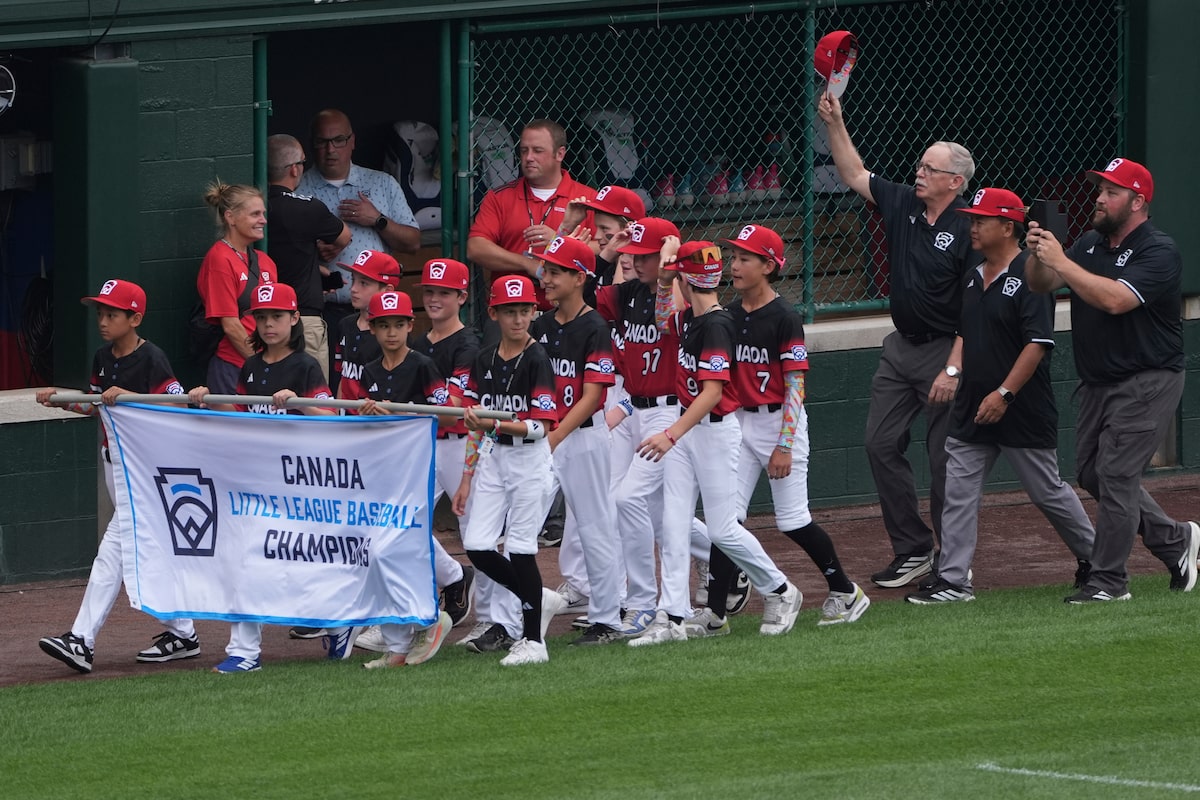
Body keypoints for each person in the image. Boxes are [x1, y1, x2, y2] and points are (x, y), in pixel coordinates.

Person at [905, 188, 1095, 604]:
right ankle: (954, 580)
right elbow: (965, 333)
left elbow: (1038, 343)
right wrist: (954, 371)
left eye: (980, 221)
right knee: (958, 491)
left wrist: (1004, 394)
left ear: (1007, 227)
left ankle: (1097, 559)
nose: (972, 227)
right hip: (973, 405)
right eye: (971, 220)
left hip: (1021, 407)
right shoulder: (974, 275)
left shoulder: (1033, 274)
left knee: (1047, 491)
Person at [817, 92, 975, 589]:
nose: (919, 172)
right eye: (920, 165)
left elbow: (979, 306)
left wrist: (954, 366)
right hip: (901, 346)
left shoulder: (972, 226)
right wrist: (836, 122)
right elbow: (853, 173)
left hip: (945, 348)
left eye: (930, 168)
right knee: (879, 443)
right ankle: (912, 549)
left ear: (956, 181)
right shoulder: (905, 202)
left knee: (942, 458)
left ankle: (953, 561)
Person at [1025, 158, 1199, 603]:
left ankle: (1108, 582)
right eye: (1100, 189)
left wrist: (1062, 261)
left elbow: (1117, 300)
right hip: (1098, 380)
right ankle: (1177, 541)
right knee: (1093, 475)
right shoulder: (1087, 244)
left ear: (1138, 201)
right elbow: (1041, 284)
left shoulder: (1158, 249)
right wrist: (1041, 253)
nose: (1100, 198)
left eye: (1112, 191)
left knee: (1118, 473)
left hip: (1148, 378)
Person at [631, 240, 802, 646]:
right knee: (673, 523)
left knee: (724, 530)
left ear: (687, 277)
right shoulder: (689, 317)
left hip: (712, 431)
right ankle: (670, 616)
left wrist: (671, 434)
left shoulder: (716, 325)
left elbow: (711, 392)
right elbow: (660, 322)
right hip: (687, 431)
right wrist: (665, 282)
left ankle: (780, 590)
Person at [37, 280, 199, 674]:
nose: (104, 321)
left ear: (135, 318)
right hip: (115, 464)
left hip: (145, 470)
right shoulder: (101, 356)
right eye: (100, 313)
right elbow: (97, 407)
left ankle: (81, 639)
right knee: (140, 554)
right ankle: (183, 631)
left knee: (113, 551)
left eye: (112, 314)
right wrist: (60, 399)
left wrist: (128, 395)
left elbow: (176, 404)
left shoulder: (152, 358)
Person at [715, 223, 871, 626]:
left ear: (768, 266)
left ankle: (845, 591)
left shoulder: (784, 317)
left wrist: (784, 445)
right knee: (724, 520)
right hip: (739, 423)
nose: (734, 265)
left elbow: (795, 384)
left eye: (744, 258)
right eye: (733, 257)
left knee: (792, 520)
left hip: (779, 424)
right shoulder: (729, 315)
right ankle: (714, 612)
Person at [188, 282, 339, 673]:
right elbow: (239, 419)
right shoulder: (251, 367)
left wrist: (299, 404)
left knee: (302, 560)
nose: (269, 325)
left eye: (277, 317)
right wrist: (207, 402)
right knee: (246, 560)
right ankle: (244, 651)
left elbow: (332, 419)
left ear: (293, 319)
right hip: (256, 481)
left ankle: (337, 619)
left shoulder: (305, 366)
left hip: (298, 482)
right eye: (262, 317)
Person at [403, 258, 522, 653]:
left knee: (479, 536)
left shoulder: (469, 344)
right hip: (424, 443)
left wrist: (402, 406)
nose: (434, 299)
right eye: (430, 291)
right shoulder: (419, 344)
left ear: (461, 296)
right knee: (403, 522)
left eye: (443, 292)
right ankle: (450, 580)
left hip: (460, 446)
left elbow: (454, 405)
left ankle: (497, 619)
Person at [452, 275, 569, 666]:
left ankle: (535, 642)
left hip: (529, 461)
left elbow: (541, 426)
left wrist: (493, 425)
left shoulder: (537, 358)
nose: (518, 319)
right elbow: (472, 422)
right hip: (493, 457)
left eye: (524, 311)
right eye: (509, 312)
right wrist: (466, 476)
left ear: (534, 312)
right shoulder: (484, 359)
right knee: (478, 545)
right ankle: (537, 596)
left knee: (520, 549)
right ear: (494, 314)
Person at [348, 289, 456, 669]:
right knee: (379, 551)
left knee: (399, 546)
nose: (391, 332)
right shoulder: (369, 370)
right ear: (373, 329)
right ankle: (398, 641)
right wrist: (366, 416)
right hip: (381, 470)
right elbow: (356, 426)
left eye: (398, 324)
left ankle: (427, 620)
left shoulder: (423, 364)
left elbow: (448, 415)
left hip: (416, 468)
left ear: (411, 325)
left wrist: (401, 412)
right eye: (383, 325)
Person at [530, 236, 624, 646]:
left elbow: (593, 396)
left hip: (582, 439)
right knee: (518, 524)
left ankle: (608, 616)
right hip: (544, 438)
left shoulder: (595, 326)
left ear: (578, 277)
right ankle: (504, 619)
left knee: (594, 528)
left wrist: (556, 437)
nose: (545, 278)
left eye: (554, 271)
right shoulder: (541, 325)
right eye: (545, 270)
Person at [296, 108, 420, 388]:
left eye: (339, 140)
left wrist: (377, 220)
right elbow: (281, 254)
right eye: (322, 142)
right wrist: (312, 253)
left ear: (353, 141)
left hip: (379, 311)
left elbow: (413, 242)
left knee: (388, 387)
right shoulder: (299, 188)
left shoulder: (381, 183)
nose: (331, 149)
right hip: (324, 311)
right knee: (333, 388)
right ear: (312, 145)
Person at [467, 118, 597, 316]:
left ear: (560, 154)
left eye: (538, 150)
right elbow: (476, 248)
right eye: (524, 150)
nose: (528, 157)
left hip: (567, 312)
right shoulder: (499, 197)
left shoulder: (586, 198)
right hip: (510, 310)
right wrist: (527, 264)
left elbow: (605, 247)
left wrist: (557, 241)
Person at [266, 133, 351, 380]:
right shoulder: (306, 207)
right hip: (303, 317)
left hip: (265, 319)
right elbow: (344, 236)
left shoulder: (254, 207)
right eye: (303, 163)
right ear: (294, 169)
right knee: (313, 399)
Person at [196, 182, 279, 394]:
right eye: (255, 214)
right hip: (233, 367)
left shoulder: (265, 261)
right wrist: (261, 364)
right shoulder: (220, 259)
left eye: (263, 213)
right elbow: (230, 324)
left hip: (266, 363)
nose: (263, 220)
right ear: (230, 217)